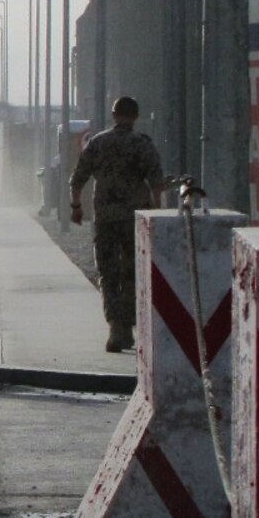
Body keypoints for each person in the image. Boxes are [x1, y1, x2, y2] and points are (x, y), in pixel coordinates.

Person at [69, 94, 165, 353]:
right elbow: (157, 182)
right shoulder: (142, 144)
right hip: (136, 219)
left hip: (105, 218)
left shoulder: (98, 143)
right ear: (136, 117)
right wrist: (157, 211)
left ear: (114, 115)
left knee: (108, 273)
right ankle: (127, 324)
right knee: (133, 273)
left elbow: (77, 179)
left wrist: (76, 207)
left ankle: (115, 327)